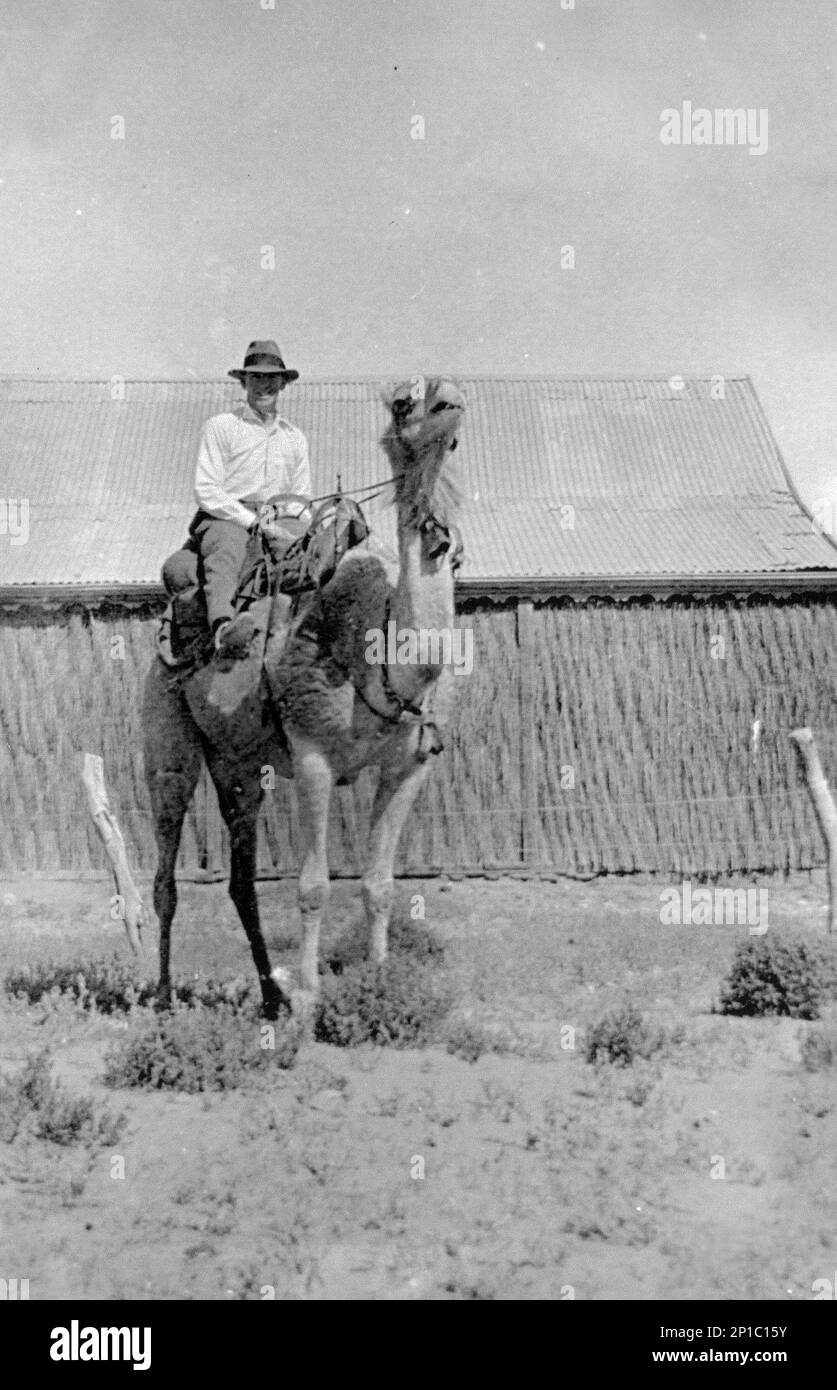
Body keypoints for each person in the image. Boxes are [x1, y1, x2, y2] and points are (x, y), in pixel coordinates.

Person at [190, 339, 311, 658]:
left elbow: (301, 497)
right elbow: (207, 489)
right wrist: (253, 522)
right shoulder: (222, 427)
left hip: (279, 520)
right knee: (227, 549)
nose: (264, 385)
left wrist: (292, 526)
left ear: (283, 383)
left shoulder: (294, 437)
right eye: (256, 377)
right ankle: (223, 628)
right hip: (227, 516)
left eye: (272, 378)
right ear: (244, 381)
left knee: (319, 560)